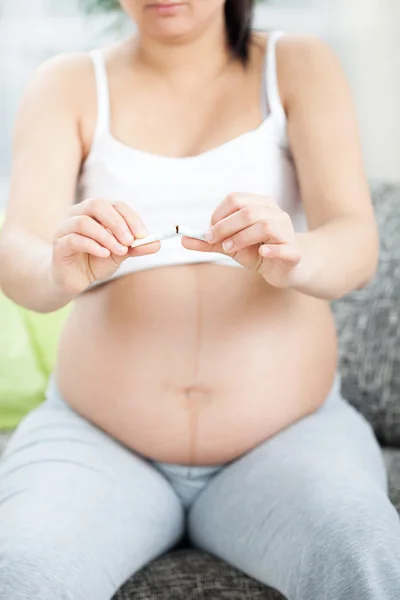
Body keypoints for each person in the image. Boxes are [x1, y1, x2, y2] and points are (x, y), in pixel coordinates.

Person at [0, 0, 399, 598]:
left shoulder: (298, 65)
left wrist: (295, 255)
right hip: (97, 441)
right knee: (25, 573)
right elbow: (20, 255)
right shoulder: (67, 83)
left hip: (289, 438)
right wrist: (60, 267)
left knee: (365, 554)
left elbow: (355, 245)